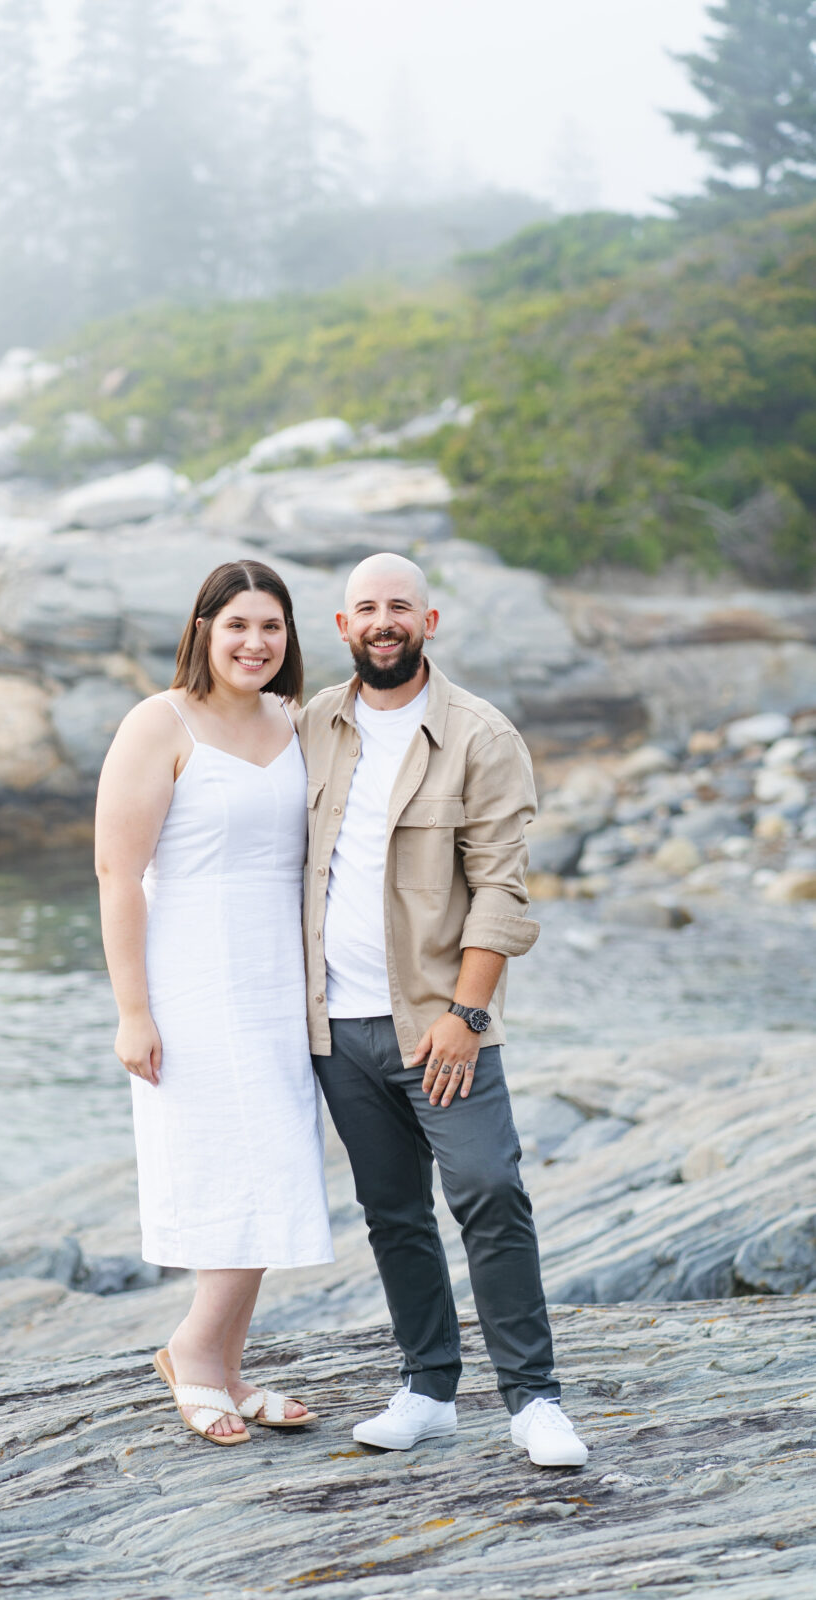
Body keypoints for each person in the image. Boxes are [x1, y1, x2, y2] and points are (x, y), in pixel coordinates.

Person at [298, 552, 588, 1468]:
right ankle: (427, 1388)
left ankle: (532, 1402)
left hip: (440, 1020)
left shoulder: (479, 736)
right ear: (342, 628)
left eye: (400, 607)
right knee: (391, 1211)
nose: (383, 622)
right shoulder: (311, 726)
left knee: (490, 1192)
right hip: (336, 1028)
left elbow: (501, 893)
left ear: (429, 621)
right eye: (365, 609)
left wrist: (465, 1017)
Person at [95, 560, 334, 1446]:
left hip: (280, 977)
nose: (254, 643)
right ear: (202, 629)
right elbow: (117, 873)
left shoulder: (296, 721)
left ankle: (226, 1367)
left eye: (270, 627)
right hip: (192, 976)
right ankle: (193, 1354)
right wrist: (133, 1009)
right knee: (229, 1163)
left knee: (270, 1166)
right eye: (236, 624)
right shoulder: (157, 722)